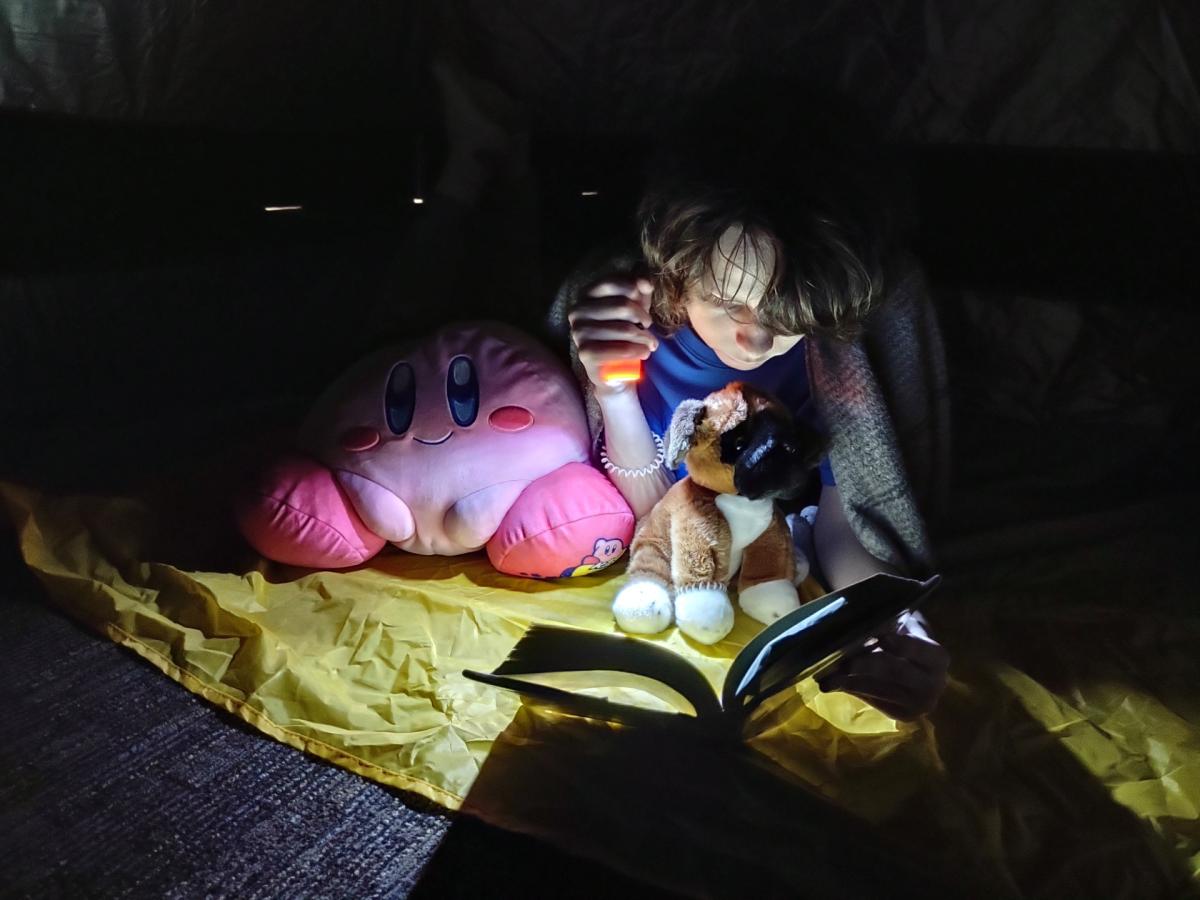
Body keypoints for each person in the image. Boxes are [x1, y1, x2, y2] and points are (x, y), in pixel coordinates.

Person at [551, 99, 951, 721]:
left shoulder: (846, 339)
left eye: (787, 315)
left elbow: (847, 519)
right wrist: (613, 395)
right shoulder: (629, 318)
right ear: (679, 268)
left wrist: (890, 621)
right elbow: (653, 515)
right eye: (728, 304)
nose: (758, 342)